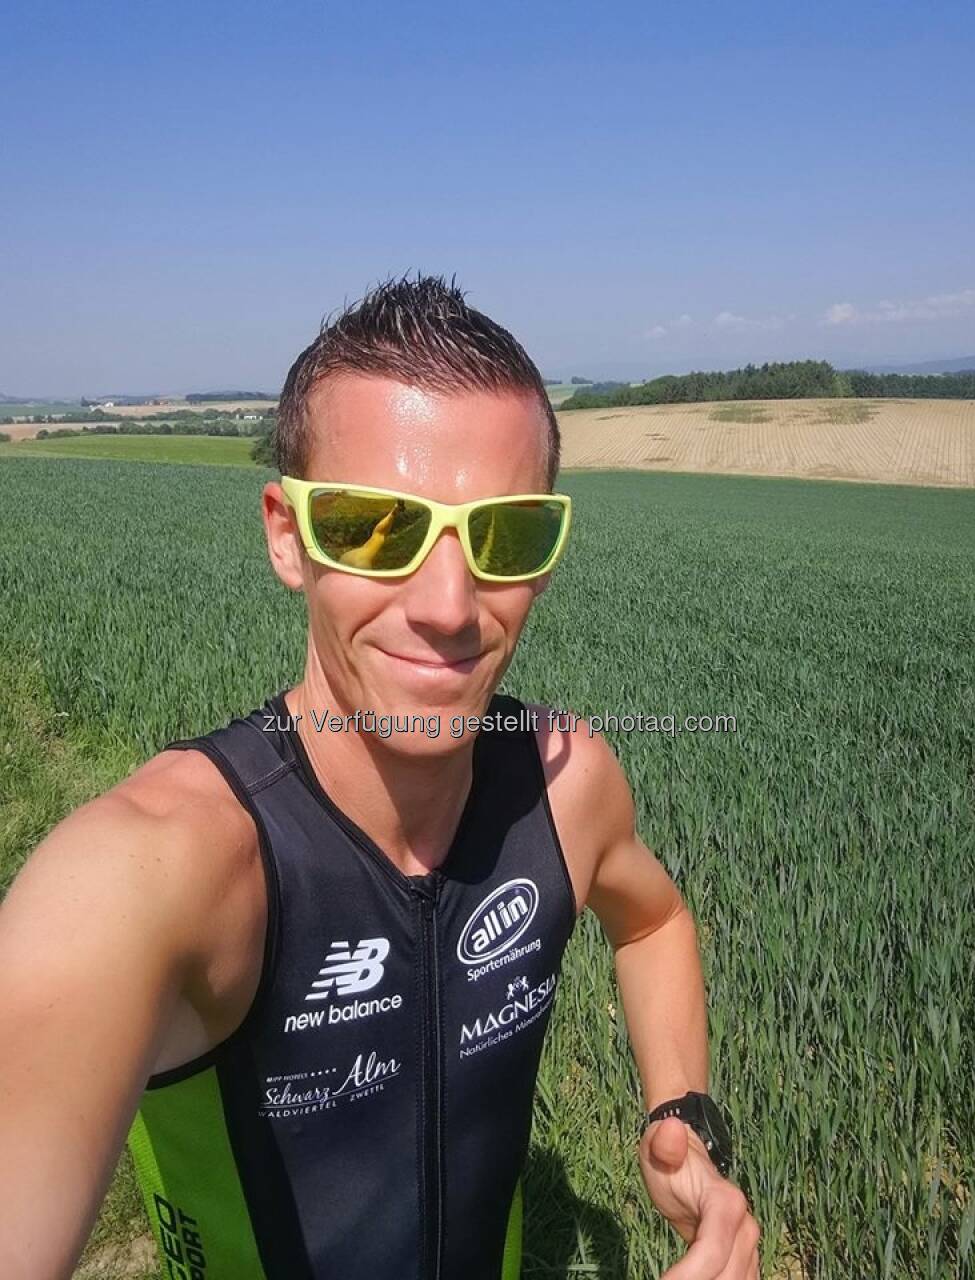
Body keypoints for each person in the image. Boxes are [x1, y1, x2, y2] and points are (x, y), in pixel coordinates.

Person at [0, 274, 761, 1279]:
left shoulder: (565, 786)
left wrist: (679, 1115)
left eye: (506, 534)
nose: (448, 603)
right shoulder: (152, 874)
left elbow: (654, 921)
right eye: (374, 526)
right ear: (288, 535)